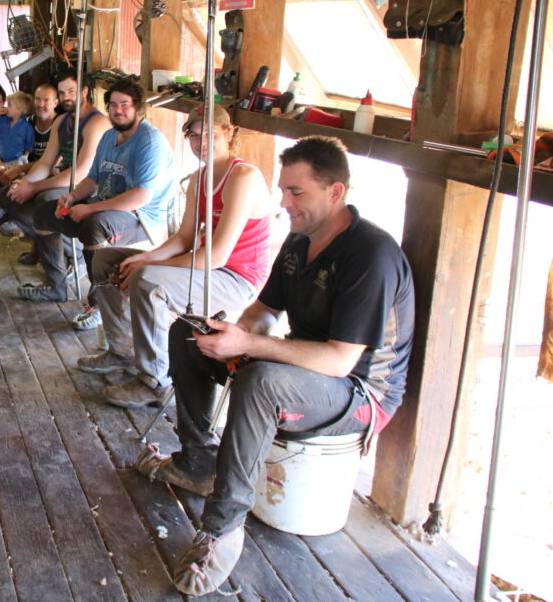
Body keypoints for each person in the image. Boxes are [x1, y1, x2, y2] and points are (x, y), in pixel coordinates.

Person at [151, 136, 414, 596]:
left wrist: (253, 346)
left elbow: (340, 359)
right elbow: (265, 310)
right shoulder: (299, 240)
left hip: (357, 394)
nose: (284, 203)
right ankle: (196, 460)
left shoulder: (369, 254)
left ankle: (222, 527)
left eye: (297, 193)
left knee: (263, 380)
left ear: (335, 192)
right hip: (304, 369)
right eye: (282, 191)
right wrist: (232, 332)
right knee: (188, 335)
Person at [81, 105, 272, 409]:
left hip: (237, 279)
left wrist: (149, 264)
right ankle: (121, 351)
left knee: (147, 279)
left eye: (210, 134)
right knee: (107, 260)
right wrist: (145, 258)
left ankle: (155, 380)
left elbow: (217, 256)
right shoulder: (199, 178)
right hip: (208, 267)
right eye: (194, 136)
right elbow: (184, 238)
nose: (201, 142)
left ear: (229, 132)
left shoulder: (243, 176)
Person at [21, 78, 175, 312]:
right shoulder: (108, 137)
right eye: (113, 105)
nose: (118, 110)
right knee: (45, 212)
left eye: (124, 104)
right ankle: (56, 285)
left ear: (139, 108)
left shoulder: (149, 141)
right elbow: (93, 180)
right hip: (105, 206)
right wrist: (72, 197)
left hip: (141, 217)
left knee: (94, 225)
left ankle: (100, 304)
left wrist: (89, 208)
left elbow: (141, 196)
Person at [0, 71, 110, 312]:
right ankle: (60, 265)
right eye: (62, 92)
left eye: (71, 91)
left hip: (91, 187)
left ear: (84, 92)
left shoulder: (97, 122)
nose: (66, 97)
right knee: (8, 195)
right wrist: (25, 183)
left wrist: (35, 187)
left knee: (46, 200)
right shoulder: (62, 121)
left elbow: (81, 172)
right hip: (64, 180)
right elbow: (46, 162)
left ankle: (73, 256)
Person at [0, 84, 58, 190]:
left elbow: (50, 162)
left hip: (48, 176)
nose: (41, 104)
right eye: (38, 99)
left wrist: (18, 170)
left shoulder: (61, 124)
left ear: (55, 103)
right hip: (26, 170)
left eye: (46, 100)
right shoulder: (28, 122)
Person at [0, 91, 35, 169]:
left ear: (19, 110)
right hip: (2, 161)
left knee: (14, 178)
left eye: (9, 105)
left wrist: (25, 156)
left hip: (17, 161)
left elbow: (29, 144)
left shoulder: (26, 127)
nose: (6, 108)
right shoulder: (4, 121)